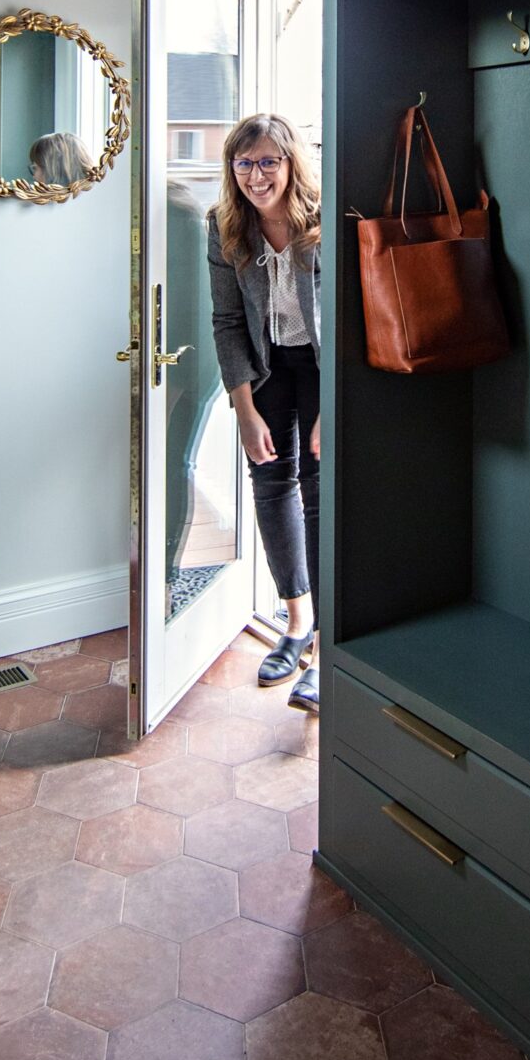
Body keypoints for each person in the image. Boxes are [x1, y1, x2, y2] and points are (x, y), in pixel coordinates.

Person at [206, 112, 322, 710]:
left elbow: (352, 317)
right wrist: (244, 408)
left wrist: (335, 407)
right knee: (271, 485)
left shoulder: (324, 220)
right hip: (267, 365)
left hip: (323, 367)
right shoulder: (224, 226)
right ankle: (297, 622)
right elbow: (228, 323)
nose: (256, 175)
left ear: (290, 163)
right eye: (244, 162)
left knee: (321, 493)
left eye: (269, 161)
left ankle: (331, 651)